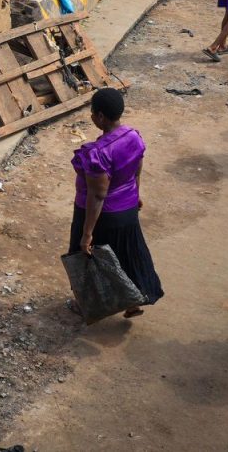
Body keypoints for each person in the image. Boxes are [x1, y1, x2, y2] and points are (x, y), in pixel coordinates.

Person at [68, 88, 163, 319]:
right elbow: (136, 171)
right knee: (126, 257)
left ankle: (86, 305)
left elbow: (98, 196)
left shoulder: (98, 154)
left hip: (104, 217)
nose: (91, 116)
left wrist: (87, 233)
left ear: (100, 117)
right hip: (127, 210)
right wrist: (136, 195)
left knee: (89, 261)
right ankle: (132, 302)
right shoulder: (133, 136)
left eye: (92, 112)